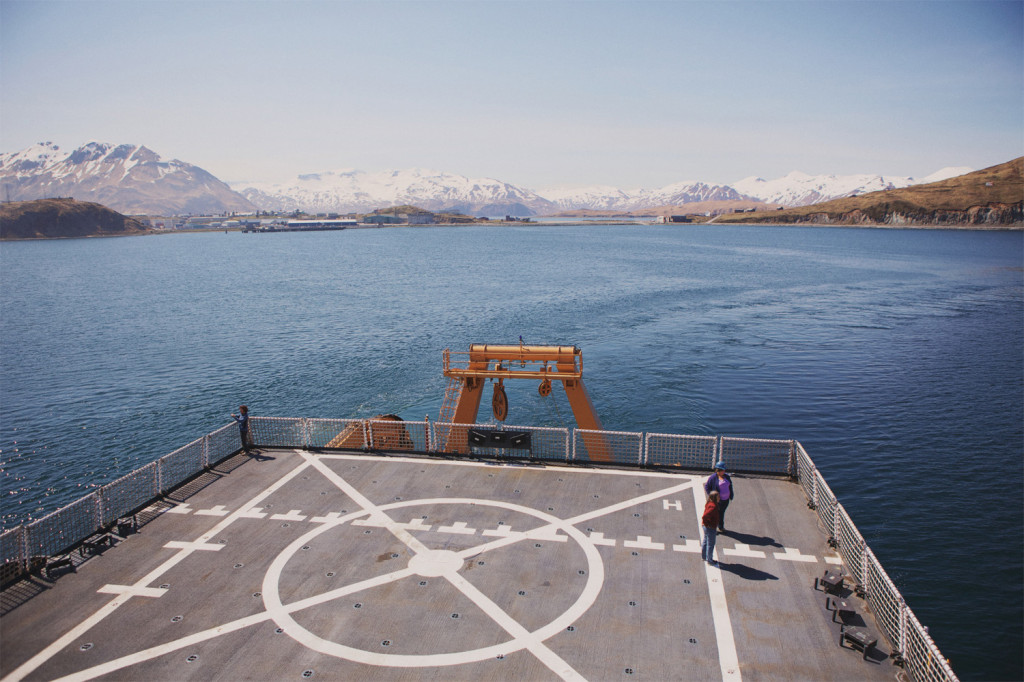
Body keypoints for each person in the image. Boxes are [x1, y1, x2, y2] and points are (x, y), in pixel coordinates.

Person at [704, 461, 734, 531]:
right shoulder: (713, 478)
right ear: (718, 470)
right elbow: (707, 487)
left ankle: (720, 527)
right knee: (715, 514)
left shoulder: (726, 476)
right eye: (723, 470)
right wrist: (712, 496)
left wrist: (731, 495)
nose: (724, 471)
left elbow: (730, 486)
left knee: (721, 513)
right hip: (718, 501)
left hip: (725, 500)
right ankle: (713, 527)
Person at [701, 490, 721, 567]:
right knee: (710, 544)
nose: (719, 498)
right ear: (715, 498)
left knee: (705, 541)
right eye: (718, 496)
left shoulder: (709, 503)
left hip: (706, 527)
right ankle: (710, 560)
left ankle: (704, 556)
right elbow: (705, 516)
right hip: (710, 528)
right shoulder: (713, 506)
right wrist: (708, 524)